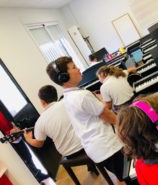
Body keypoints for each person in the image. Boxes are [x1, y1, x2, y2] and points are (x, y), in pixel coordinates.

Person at [46, 57, 126, 185]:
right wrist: (127, 126)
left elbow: (94, 112)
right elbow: (108, 116)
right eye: (73, 67)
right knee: (127, 176)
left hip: (97, 149)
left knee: (120, 177)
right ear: (64, 77)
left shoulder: (67, 97)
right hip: (107, 146)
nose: (78, 69)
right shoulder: (82, 95)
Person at [24, 85, 83, 159]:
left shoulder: (40, 121)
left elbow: (39, 144)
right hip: (86, 143)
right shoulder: (67, 102)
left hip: (69, 153)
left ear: (42, 102)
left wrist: (28, 138)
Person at [0, 111, 49, 183]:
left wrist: (16, 127)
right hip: (8, 142)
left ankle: (38, 175)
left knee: (28, 156)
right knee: (23, 162)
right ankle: (35, 178)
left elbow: (9, 119)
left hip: (17, 135)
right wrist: (9, 133)